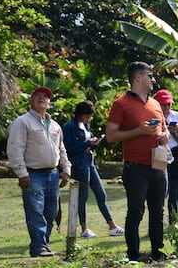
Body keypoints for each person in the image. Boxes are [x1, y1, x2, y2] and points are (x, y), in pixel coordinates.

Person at [105, 61, 169, 262]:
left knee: (158, 210)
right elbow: (110, 136)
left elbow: (164, 129)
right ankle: (133, 254)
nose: (153, 79)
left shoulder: (155, 104)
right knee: (136, 210)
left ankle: (158, 251)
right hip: (135, 167)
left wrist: (164, 135)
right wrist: (138, 131)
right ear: (138, 78)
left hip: (158, 165)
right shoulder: (121, 104)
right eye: (150, 76)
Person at [7, 87, 71, 257]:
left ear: (49, 103)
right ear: (31, 101)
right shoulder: (22, 122)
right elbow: (15, 149)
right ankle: (38, 247)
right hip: (33, 174)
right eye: (38, 96)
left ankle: (44, 244)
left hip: (53, 174)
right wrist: (22, 173)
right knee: (35, 211)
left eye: (46, 97)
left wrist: (65, 170)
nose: (42, 98)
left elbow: (61, 149)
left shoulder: (55, 125)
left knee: (50, 212)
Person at [62, 100, 124, 238]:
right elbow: (68, 149)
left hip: (89, 162)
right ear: (80, 114)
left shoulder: (86, 125)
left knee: (101, 194)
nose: (88, 119)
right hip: (78, 164)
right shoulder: (69, 127)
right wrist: (86, 144)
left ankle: (112, 225)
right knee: (83, 196)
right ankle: (84, 228)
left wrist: (94, 143)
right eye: (87, 116)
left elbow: (87, 143)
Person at [155, 89, 178, 222]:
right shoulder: (153, 116)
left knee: (176, 188)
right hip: (159, 153)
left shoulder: (176, 116)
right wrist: (164, 131)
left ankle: (174, 221)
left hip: (175, 153)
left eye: (169, 104)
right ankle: (157, 221)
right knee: (160, 190)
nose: (167, 108)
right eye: (164, 104)